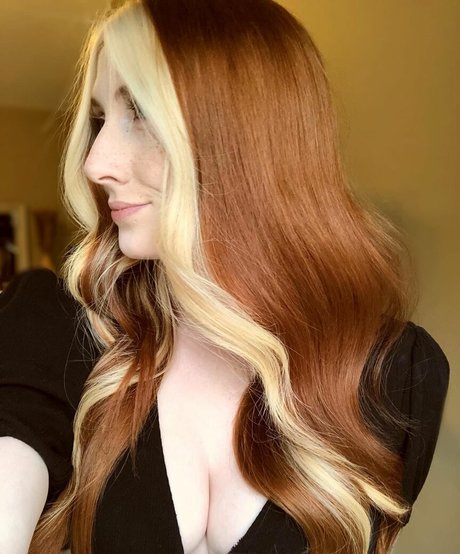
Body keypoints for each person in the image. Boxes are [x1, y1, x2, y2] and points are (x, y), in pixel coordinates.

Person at [0, 0, 450, 553]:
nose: (95, 163)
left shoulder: (398, 374)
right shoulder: (65, 325)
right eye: (99, 119)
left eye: (139, 111)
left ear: (247, 139)